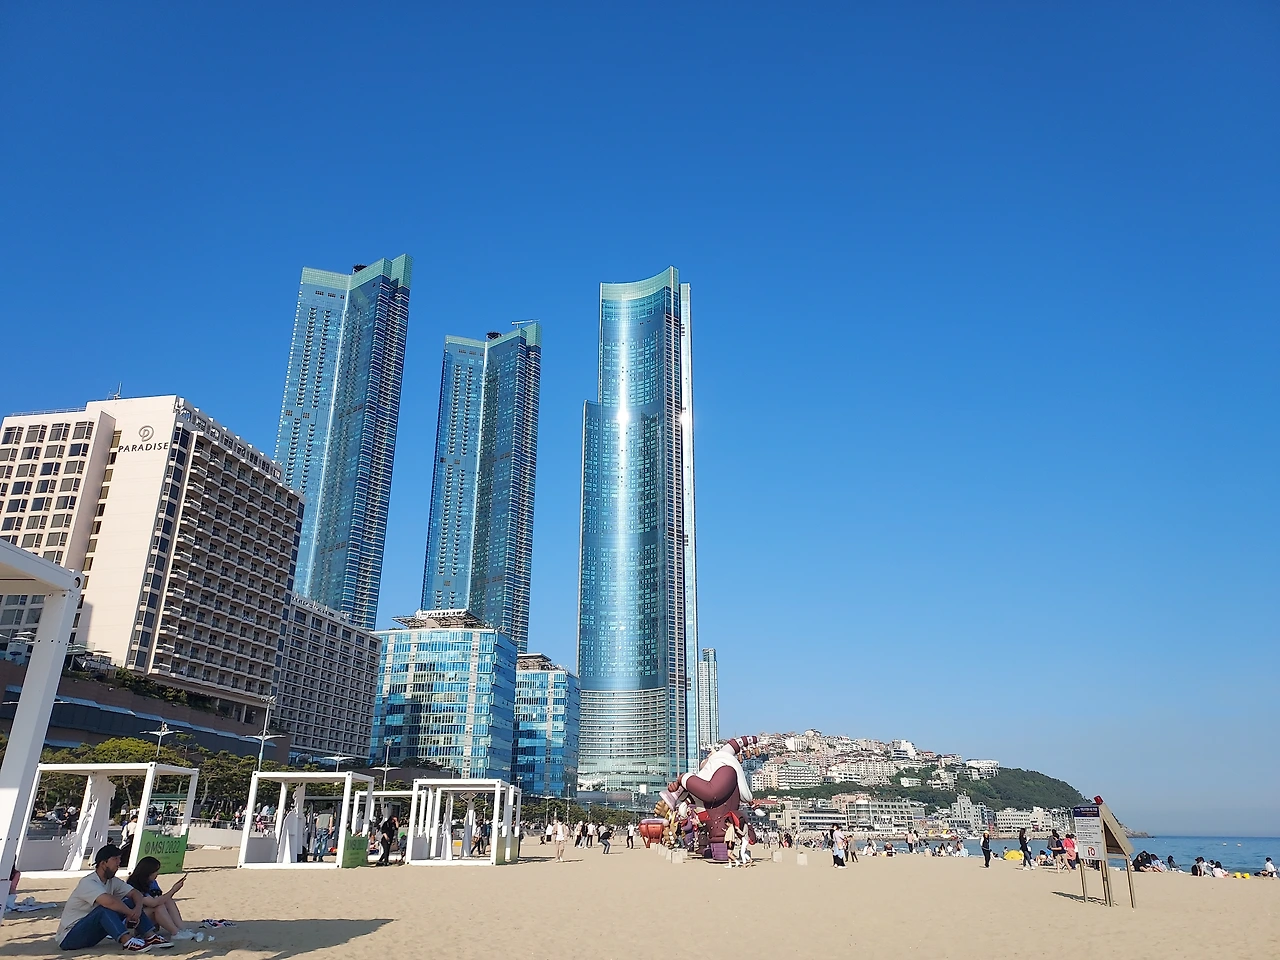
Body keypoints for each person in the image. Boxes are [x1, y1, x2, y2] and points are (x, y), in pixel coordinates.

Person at [56, 844, 171, 952]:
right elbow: (109, 902)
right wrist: (130, 913)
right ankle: (127, 941)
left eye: (119, 859)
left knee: (130, 901)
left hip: (90, 935)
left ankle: (150, 936)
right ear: (103, 863)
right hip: (69, 937)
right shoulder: (88, 882)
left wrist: (137, 909)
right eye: (115, 859)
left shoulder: (112, 881)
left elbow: (135, 893)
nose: (118, 863)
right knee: (104, 909)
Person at [126, 857, 200, 942]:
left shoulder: (152, 882)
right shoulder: (133, 885)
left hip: (146, 914)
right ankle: (175, 932)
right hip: (135, 918)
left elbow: (159, 898)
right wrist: (173, 890)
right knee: (158, 906)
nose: (157, 873)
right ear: (148, 872)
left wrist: (172, 891)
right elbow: (152, 903)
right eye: (156, 871)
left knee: (168, 900)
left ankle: (182, 929)